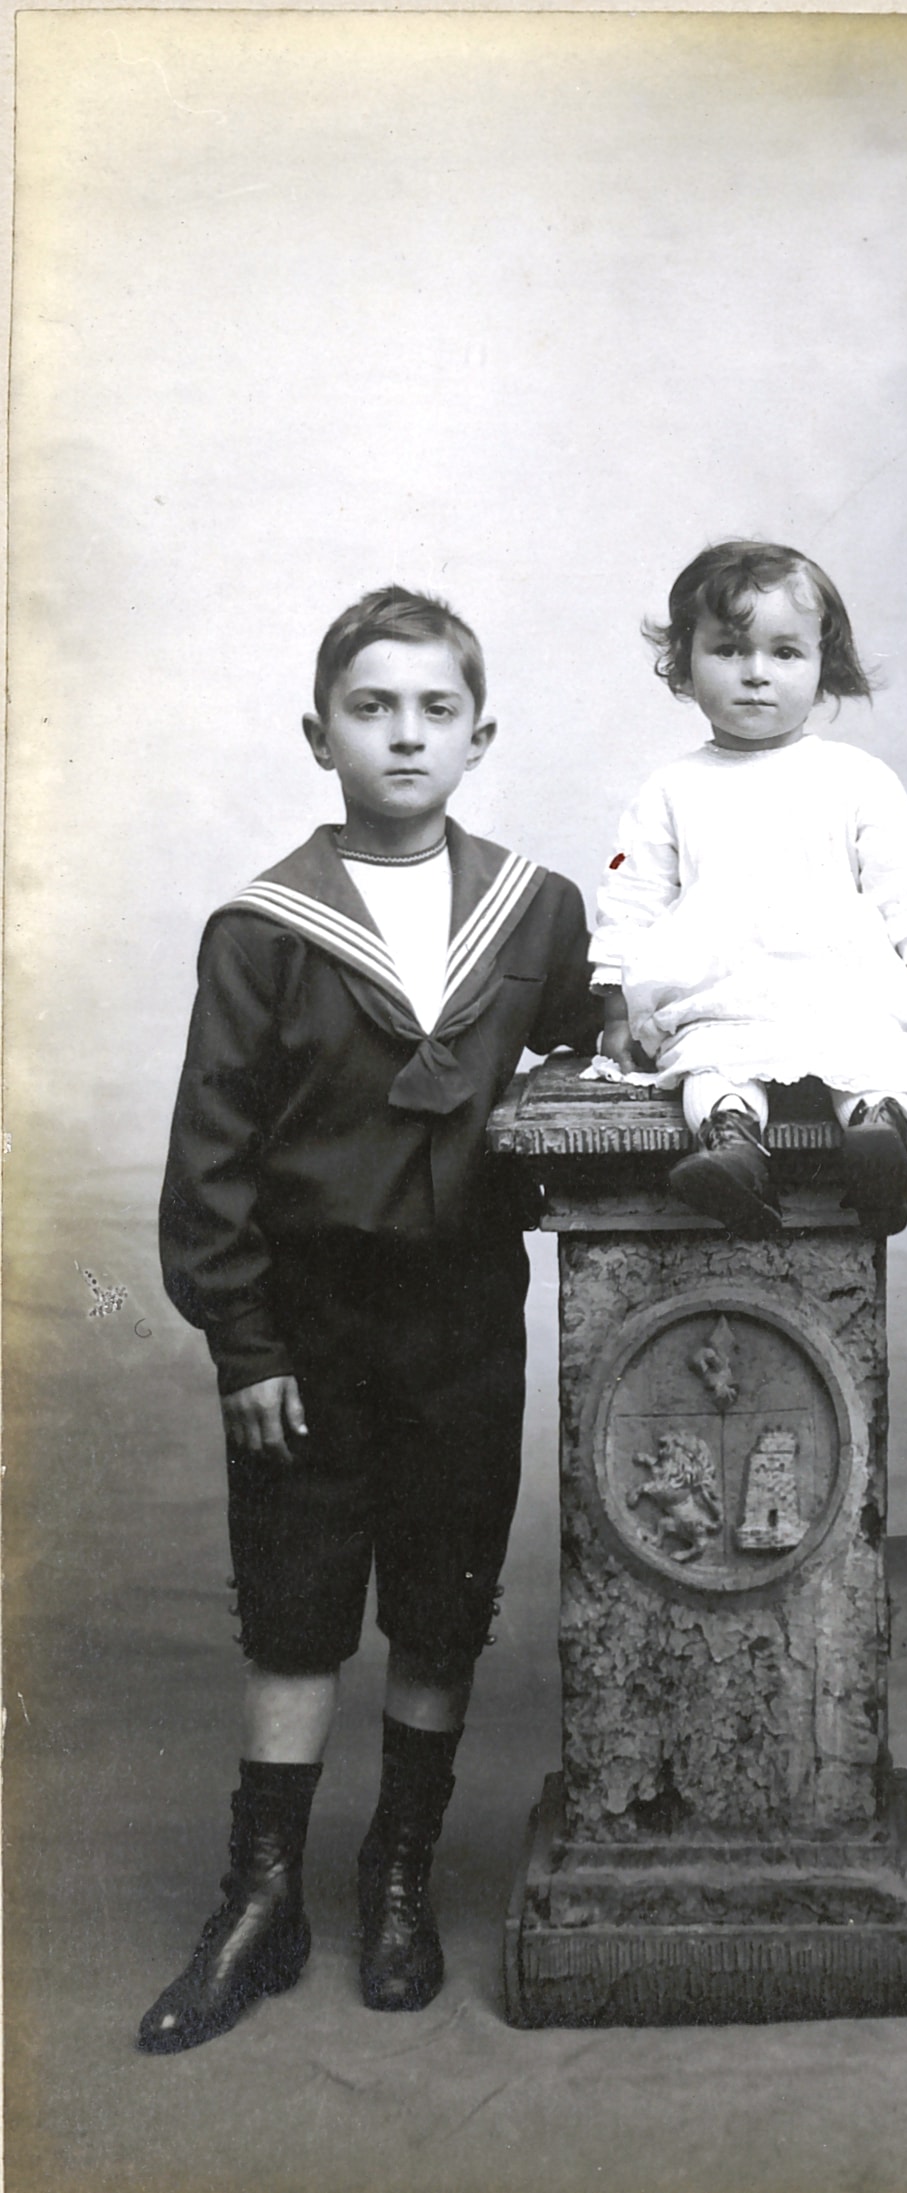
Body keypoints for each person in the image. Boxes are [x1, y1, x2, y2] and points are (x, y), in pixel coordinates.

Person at [141, 587, 601, 2053]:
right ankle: (261, 1891)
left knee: (440, 1602)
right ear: (318, 732)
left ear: (479, 736)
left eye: (434, 711)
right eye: (371, 708)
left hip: (465, 1310)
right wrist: (246, 1344)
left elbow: (600, 1046)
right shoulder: (265, 926)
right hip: (309, 1324)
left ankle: (396, 1870)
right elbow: (208, 1155)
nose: (404, 734)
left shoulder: (533, 906)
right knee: (293, 1608)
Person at [593, 539, 907, 1237]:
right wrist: (618, 1011)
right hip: (721, 993)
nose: (756, 674)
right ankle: (733, 1148)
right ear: (685, 663)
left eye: (785, 653)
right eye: (730, 650)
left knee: (879, 1055)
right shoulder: (666, 789)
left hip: (842, 986)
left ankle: (878, 1137)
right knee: (710, 1060)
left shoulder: (858, 778)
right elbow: (628, 893)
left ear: (823, 665)